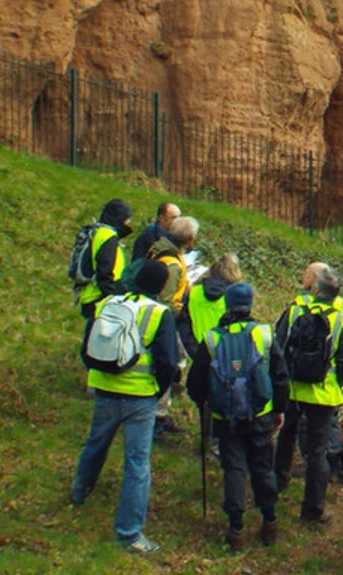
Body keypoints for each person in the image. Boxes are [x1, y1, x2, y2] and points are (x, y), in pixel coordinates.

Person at [70, 259, 178, 554]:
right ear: (161, 287)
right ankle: (129, 534)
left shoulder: (108, 302)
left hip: (105, 387)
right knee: (137, 464)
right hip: (140, 396)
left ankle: (80, 491)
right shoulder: (159, 314)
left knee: (96, 443)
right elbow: (168, 361)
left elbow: (87, 345)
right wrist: (159, 390)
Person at [186, 281, 287, 550]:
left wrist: (207, 404)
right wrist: (278, 409)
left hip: (226, 417)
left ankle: (236, 529)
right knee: (263, 467)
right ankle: (270, 522)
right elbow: (279, 375)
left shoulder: (212, 338)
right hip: (261, 415)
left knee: (233, 468)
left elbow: (194, 384)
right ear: (250, 304)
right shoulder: (264, 334)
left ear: (227, 305)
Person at [273, 262, 343, 525]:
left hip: (294, 386)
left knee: (286, 434)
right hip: (323, 392)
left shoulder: (296, 309)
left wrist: (284, 376)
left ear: (316, 289)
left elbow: (280, 343)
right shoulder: (342, 320)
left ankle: (277, 481)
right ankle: (313, 509)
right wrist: (335, 382)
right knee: (317, 451)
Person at [146, 215, 198, 438]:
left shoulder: (159, 249)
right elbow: (165, 300)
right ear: (190, 240)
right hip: (163, 321)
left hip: (151, 317)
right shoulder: (174, 264)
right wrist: (183, 312)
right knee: (166, 364)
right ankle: (157, 417)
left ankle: (159, 412)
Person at [77, 199, 134, 321]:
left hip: (91, 295)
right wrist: (112, 296)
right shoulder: (108, 237)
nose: (128, 222)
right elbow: (105, 269)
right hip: (99, 297)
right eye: (126, 218)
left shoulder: (100, 232)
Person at [180, 252, 242, 349]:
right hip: (222, 351)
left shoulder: (195, 291)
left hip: (195, 349)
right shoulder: (234, 296)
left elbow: (184, 322)